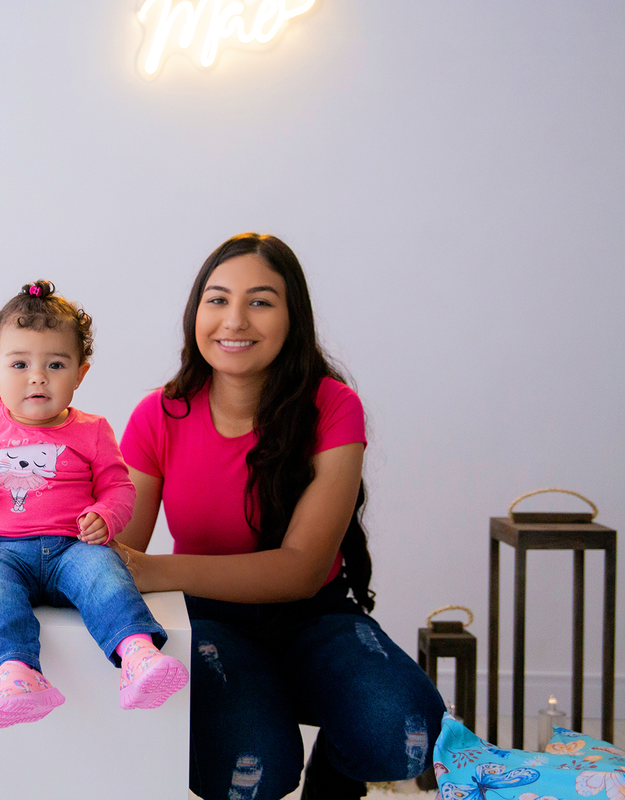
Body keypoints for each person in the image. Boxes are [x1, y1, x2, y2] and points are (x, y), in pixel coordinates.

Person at [112, 233, 445, 800]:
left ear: (294, 317)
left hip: (313, 616)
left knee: (408, 737)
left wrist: (158, 571)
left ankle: (332, 781)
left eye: (260, 301)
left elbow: (300, 568)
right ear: (196, 312)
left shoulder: (334, 406)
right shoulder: (158, 414)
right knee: (253, 767)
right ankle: (259, 707)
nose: (234, 320)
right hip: (207, 624)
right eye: (216, 300)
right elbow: (118, 551)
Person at [0, 280, 189, 728]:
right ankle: (15, 672)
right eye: (19, 364)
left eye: (55, 364)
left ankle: (137, 654)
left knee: (106, 572)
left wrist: (106, 516)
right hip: (0, 549)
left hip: (72, 550)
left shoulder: (92, 430)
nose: (38, 376)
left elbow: (120, 488)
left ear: (81, 373)